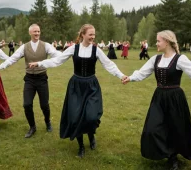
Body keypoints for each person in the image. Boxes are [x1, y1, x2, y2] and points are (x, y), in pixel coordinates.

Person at [122, 30, 191, 170]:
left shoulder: (180, 59)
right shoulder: (155, 59)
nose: (156, 43)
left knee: (175, 128)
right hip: (159, 97)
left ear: (167, 42)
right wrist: (130, 78)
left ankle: (172, 157)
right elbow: (142, 72)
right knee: (152, 128)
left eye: (158, 41)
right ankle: (165, 152)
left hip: (175, 98)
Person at [29, 24, 126, 158]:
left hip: (91, 86)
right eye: (90, 34)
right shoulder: (73, 48)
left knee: (91, 116)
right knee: (75, 117)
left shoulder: (96, 50)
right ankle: (80, 146)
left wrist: (121, 75)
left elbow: (109, 64)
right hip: (76, 86)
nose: (93, 37)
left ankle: (91, 136)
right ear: (82, 35)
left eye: (94, 34)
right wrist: (40, 63)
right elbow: (57, 61)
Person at [0, 24, 62, 138]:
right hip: (30, 79)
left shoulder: (46, 45)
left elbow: (59, 55)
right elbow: (12, 59)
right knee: (27, 104)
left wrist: (51, 60)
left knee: (44, 105)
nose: (37, 33)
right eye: (34, 31)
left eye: (38, 31)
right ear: (30, 33)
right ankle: (32, 127)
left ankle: (47, 122)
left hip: (42, 78)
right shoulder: (24, 47)